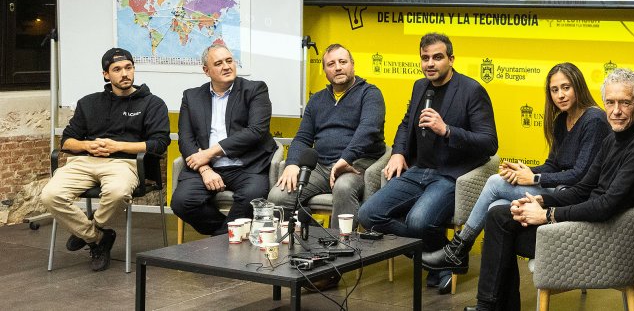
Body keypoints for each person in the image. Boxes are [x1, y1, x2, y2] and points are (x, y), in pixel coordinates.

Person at [464, 67, 634, 311]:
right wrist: (540, 201)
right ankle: (489, 306)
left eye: (625, 103)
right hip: (587, 226)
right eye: (610, 102)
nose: (616, 111)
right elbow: (582, 189)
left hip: (605, 240)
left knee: (503, 226)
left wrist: (547, 215)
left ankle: (489, 308)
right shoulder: (612, 138)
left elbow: (606, 206)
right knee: (499, 214)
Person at [422, 62, 607, 273]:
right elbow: (553, 165)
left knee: (495, 182)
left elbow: (582, 174)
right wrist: (524, 171)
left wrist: (534, 179)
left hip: (576, 197)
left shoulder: (594, 120)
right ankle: (498, 281)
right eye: (554, 90)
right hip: (559, 189)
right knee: (496, 207)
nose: (560, 95)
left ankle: (458, 248)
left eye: (566, 87)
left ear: (578, 86)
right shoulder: (561, 120)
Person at [357, 32, 497, 294]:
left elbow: (489, 143)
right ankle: (445, 258)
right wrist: (399, 152)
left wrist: (447, 130)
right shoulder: (420, 86)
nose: (430, 64)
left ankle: (440, 262)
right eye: (425, 58)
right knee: (368, 214)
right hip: (418, 169)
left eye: (437, 57)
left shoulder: (472, 90)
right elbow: (405, 124)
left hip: (450, 175)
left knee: (418, 222)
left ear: (451, 59)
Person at [41, 48, 170, 272]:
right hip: (85, 161)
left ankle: (91, 229)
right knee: (50, 195)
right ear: (106, 75)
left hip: (125, 163)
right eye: (117, 69)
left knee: (118, 193)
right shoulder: (88, 103)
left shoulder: (152, 103)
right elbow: (67, 141)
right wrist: (86, 146)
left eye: (128, 67)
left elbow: (159, 144)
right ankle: (98, 237)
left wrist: (118, 146)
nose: (124, 74)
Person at [268, 43, 385, 227]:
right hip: (321, 166)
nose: (338, 67)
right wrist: (292, 164)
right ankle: (315, 237)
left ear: (352, 65)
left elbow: (368, 130)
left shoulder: (370, 94)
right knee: (278, 196)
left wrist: (346, 158)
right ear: (324, 70)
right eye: (331, 64)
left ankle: (341, 243)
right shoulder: (316, 99)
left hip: (357, 164)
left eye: (342, 62)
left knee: (343, 187)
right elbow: (302, 138)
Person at [172, 43, 276, 236]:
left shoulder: (255, 89)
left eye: (229, 61)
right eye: (219, 63)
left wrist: (210, 152)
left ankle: (220, 241)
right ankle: (226, 236)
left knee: (252, 197)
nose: (227, 66)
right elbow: (185, 139)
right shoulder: (191, 96)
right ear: (206, 71)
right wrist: (204, 169)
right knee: (182, 202)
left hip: (246, 166)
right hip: (207, 168)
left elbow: (256, 131)